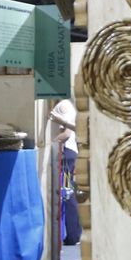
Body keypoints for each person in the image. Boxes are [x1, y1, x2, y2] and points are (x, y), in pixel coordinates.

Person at [49, 96, 81, 246]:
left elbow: (67, 134)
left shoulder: (63, 106)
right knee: (68, 191)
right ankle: (74, 233)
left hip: (66, 153)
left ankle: (73, 234)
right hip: (69, 153)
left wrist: (51, 144)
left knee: (68, 193)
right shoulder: (66, 105)